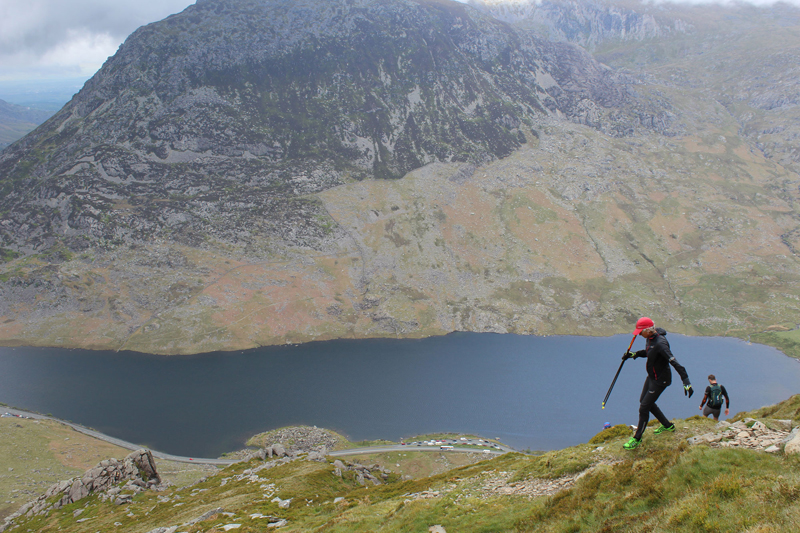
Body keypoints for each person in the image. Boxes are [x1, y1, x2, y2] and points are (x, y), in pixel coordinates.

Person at [621, 317, 694, 450]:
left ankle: (637, 439)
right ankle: (667, 426)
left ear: (648, 330)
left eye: (640, 331)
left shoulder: (661, 343)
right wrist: (634, 355)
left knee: (644, 407)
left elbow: (674, 362)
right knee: (644, 401)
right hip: (652, 376)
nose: (638, 334)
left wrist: (686, 381)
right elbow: (649, 353)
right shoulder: (649, 339)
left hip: (661, 380)